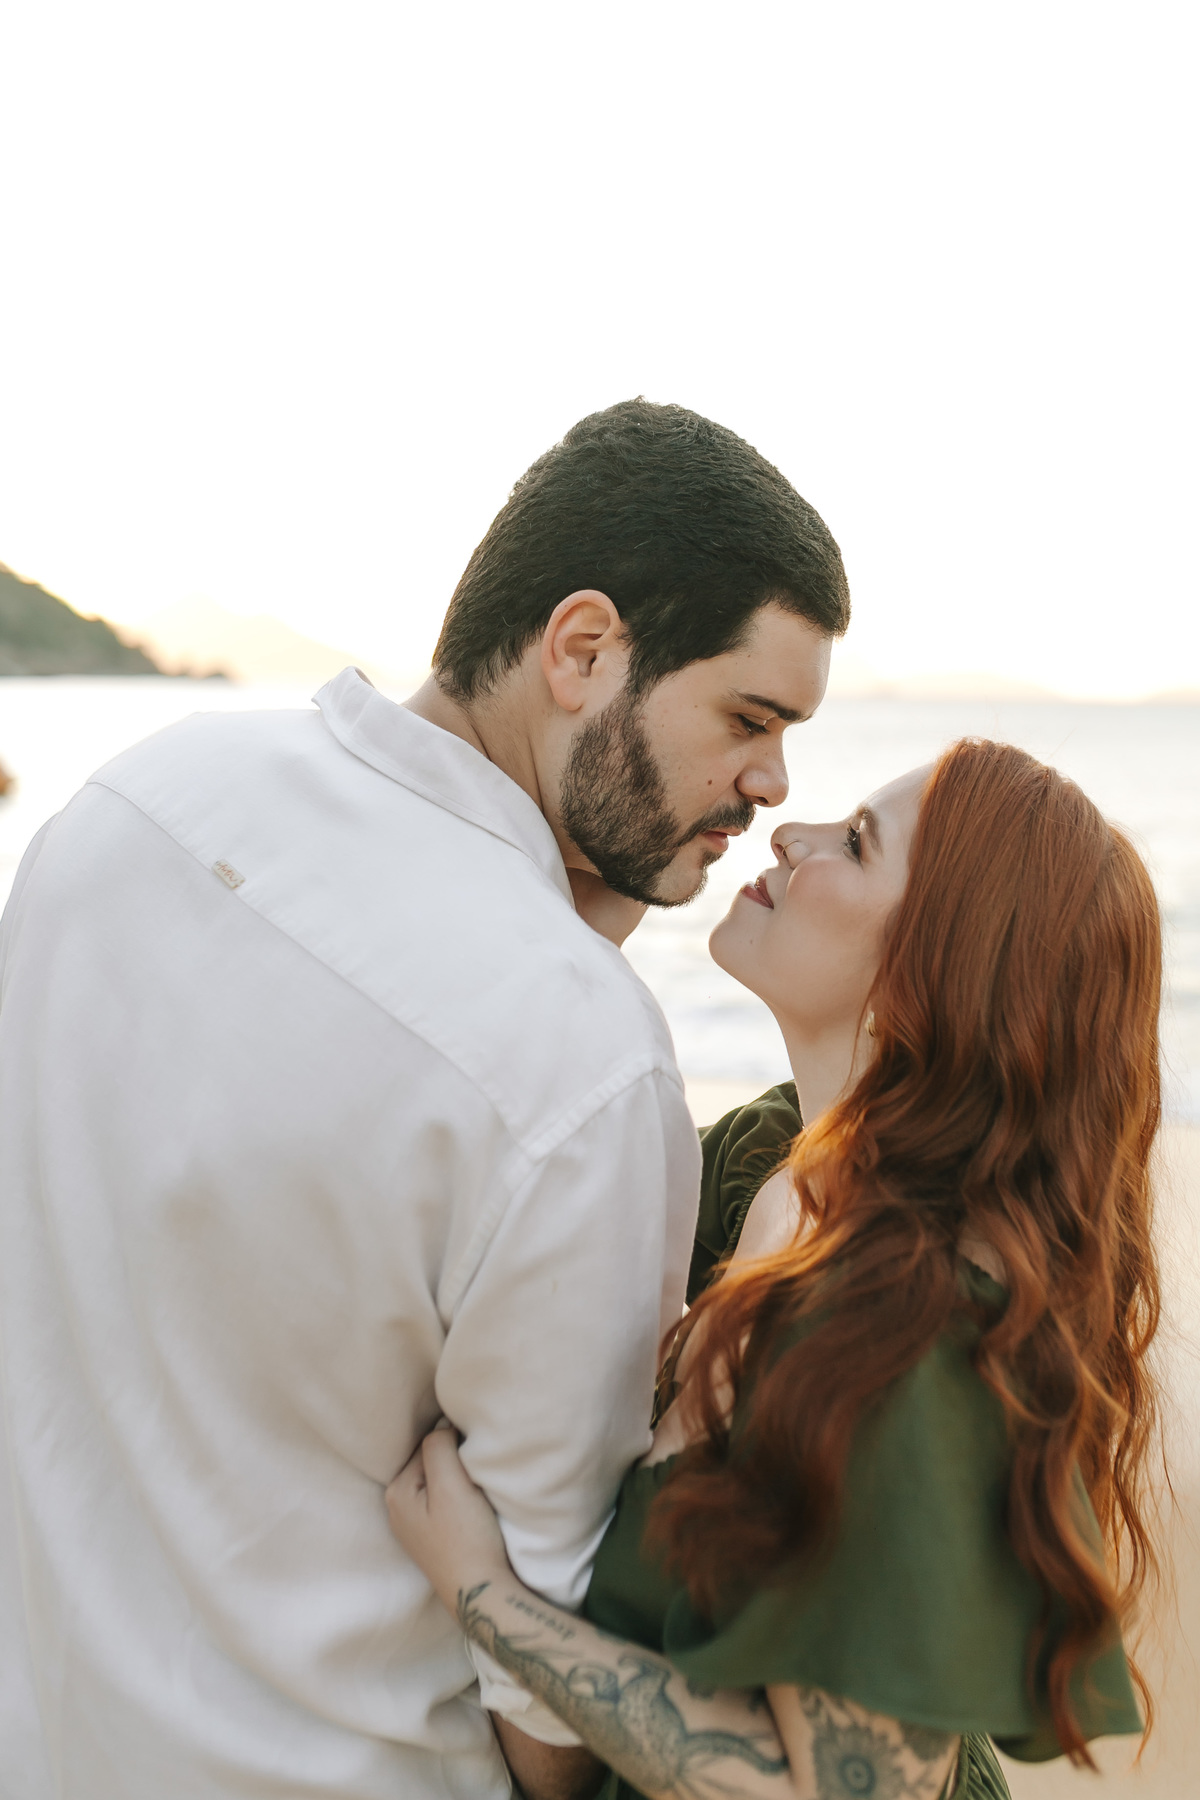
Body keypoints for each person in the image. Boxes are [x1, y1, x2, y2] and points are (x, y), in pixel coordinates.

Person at [0, 400, 849, 1799]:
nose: (770, 783)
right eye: (747, 719)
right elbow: (551, 1728)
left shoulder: (134, 801)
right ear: (583, 650)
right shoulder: (580, 1058)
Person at [390, 738, 1163, 1800]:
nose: (791, 831)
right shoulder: (759, 1163)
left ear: (935, 971)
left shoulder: (906, 1323)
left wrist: (484, 1596)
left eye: (858, 841)